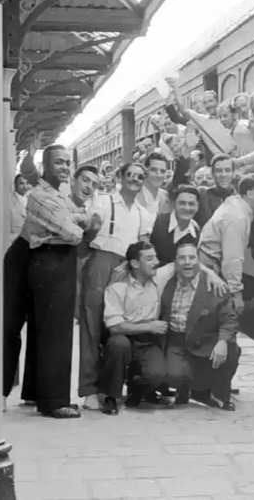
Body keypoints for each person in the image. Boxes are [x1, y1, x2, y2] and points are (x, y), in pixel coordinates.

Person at [5, 148, 101, 419]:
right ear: (44, 165)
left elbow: (81, 218)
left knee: (42, 330)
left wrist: (76, 220)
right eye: (58, 162)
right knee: (55, 333)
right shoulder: (40, 196)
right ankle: (55, 400)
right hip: (47, 264)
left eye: (67, 163)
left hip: (53, 262)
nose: (64, 167)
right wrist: (78, 222)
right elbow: (74, 233)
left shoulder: (57, 194)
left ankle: (37, 391)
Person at [77, 162, 155, 411]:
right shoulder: (104, 202)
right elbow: (93, 223)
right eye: (130, 175)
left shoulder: (144, 213)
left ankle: (110, 387)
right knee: (92, 325)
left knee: (119, 325)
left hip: (127, 266)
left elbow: (144, 246)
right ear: (120, 177)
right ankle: (88, 389)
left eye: (140, 176)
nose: (135, 179)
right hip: (102, 260)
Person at [162, 238, 241, 411]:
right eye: (182, 258)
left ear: (199, 261)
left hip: (205, 341)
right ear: (175, 262)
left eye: (192, 258)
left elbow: (229, 320)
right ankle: (188, 388)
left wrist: (222, 342)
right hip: (177, 342)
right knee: (174, 376)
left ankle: (217, 392)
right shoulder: (165, 283)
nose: (187, 262)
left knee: (232, 349)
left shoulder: (214, 286)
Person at [98, 242, 174, 415]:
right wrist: (148, 326)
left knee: (157, 374)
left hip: (147, 341)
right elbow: (115, 327)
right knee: (118, 345)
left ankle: (137, 391)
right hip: (124, 337)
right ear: (135, 263)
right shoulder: (117, 287)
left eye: (155, 256)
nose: (156, 261)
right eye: (149, 258)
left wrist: (212, 276)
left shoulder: (158, 278)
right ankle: (110, 397)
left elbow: (181, 263)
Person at [198, 173, 254, 312]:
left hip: (214, 265)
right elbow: (232, 259)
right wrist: (236, 294)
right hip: (211, 268)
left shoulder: (237, 205)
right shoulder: (237, 217)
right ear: (249, 193)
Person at [151, 183, 202, 266]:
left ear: (198, 206)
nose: (187, 208)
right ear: (174, 204)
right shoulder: (155, 221)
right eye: (182, 203)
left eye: (191, 204)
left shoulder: (196, 231)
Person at [9, 173, 29, 242]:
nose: (25, 186)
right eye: (22, 183)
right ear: (15, 185)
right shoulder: (9, 203)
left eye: (27, 183)